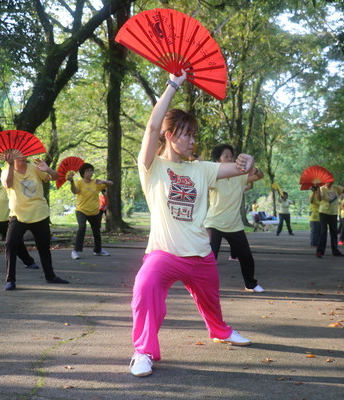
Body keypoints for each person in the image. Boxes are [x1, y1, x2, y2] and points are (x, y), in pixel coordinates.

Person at [130, 70, 253, 378]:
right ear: (170, 135)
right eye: (187, 135)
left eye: (194, 136)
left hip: (199, 255)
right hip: (164, 254)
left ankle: (220, 331)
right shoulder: (152, 167)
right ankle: (143, 351)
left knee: (211, 301)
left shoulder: (201, 168)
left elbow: (237, 170)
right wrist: (173, 84)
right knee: (144, 287)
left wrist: (246, 163)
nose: (193, 141)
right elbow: (152, 125)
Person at [204, 144, 265, 293]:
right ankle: (203, 288)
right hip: (214, 223)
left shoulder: (240, 177)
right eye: (226, 157)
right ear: (218, 160)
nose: (230, 159)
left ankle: (250, 284)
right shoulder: (213, 177)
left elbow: (259, 175)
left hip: (234, 225)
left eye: (232, 156)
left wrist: (252, 169)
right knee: (209, 259)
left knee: (246, 257)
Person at [2, 155, 68, 290]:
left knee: (44, 247)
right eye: (16, 155)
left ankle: (50, 276)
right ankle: (10, 280)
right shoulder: (6, 171)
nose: (20, 157)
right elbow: (8, 184)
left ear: (26, 155)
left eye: (22, 154)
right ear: (11, 157)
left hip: (39, 213)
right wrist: (9, 165)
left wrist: (48, 169)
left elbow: (56, 177)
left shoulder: (35, 168)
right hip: (18, 215)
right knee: (10, 244)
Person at [68, 163, 114, 260]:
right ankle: (75, 251)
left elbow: (111, 183)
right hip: (81, 210)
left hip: (94, 212)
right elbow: (74, 191)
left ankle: (98, 250)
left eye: (91, 170)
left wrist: (103, 181)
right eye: (87, 171)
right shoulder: (79, 183)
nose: (90, 173)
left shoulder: (96, 183)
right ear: (83, 173)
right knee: (82, 228)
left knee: (96, 231)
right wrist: (71, 181)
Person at [316, 181, 344, 258]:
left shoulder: (336, 188)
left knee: (334, 232)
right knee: (323, 232)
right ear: (325, 181)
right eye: (329, 181)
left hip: (333, 213)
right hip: (323, 212)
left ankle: (335, 251)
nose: (331, 182)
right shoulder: (321, 188)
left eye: (332, 181)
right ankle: (320, 251)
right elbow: (319, 199)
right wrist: (317, 190)